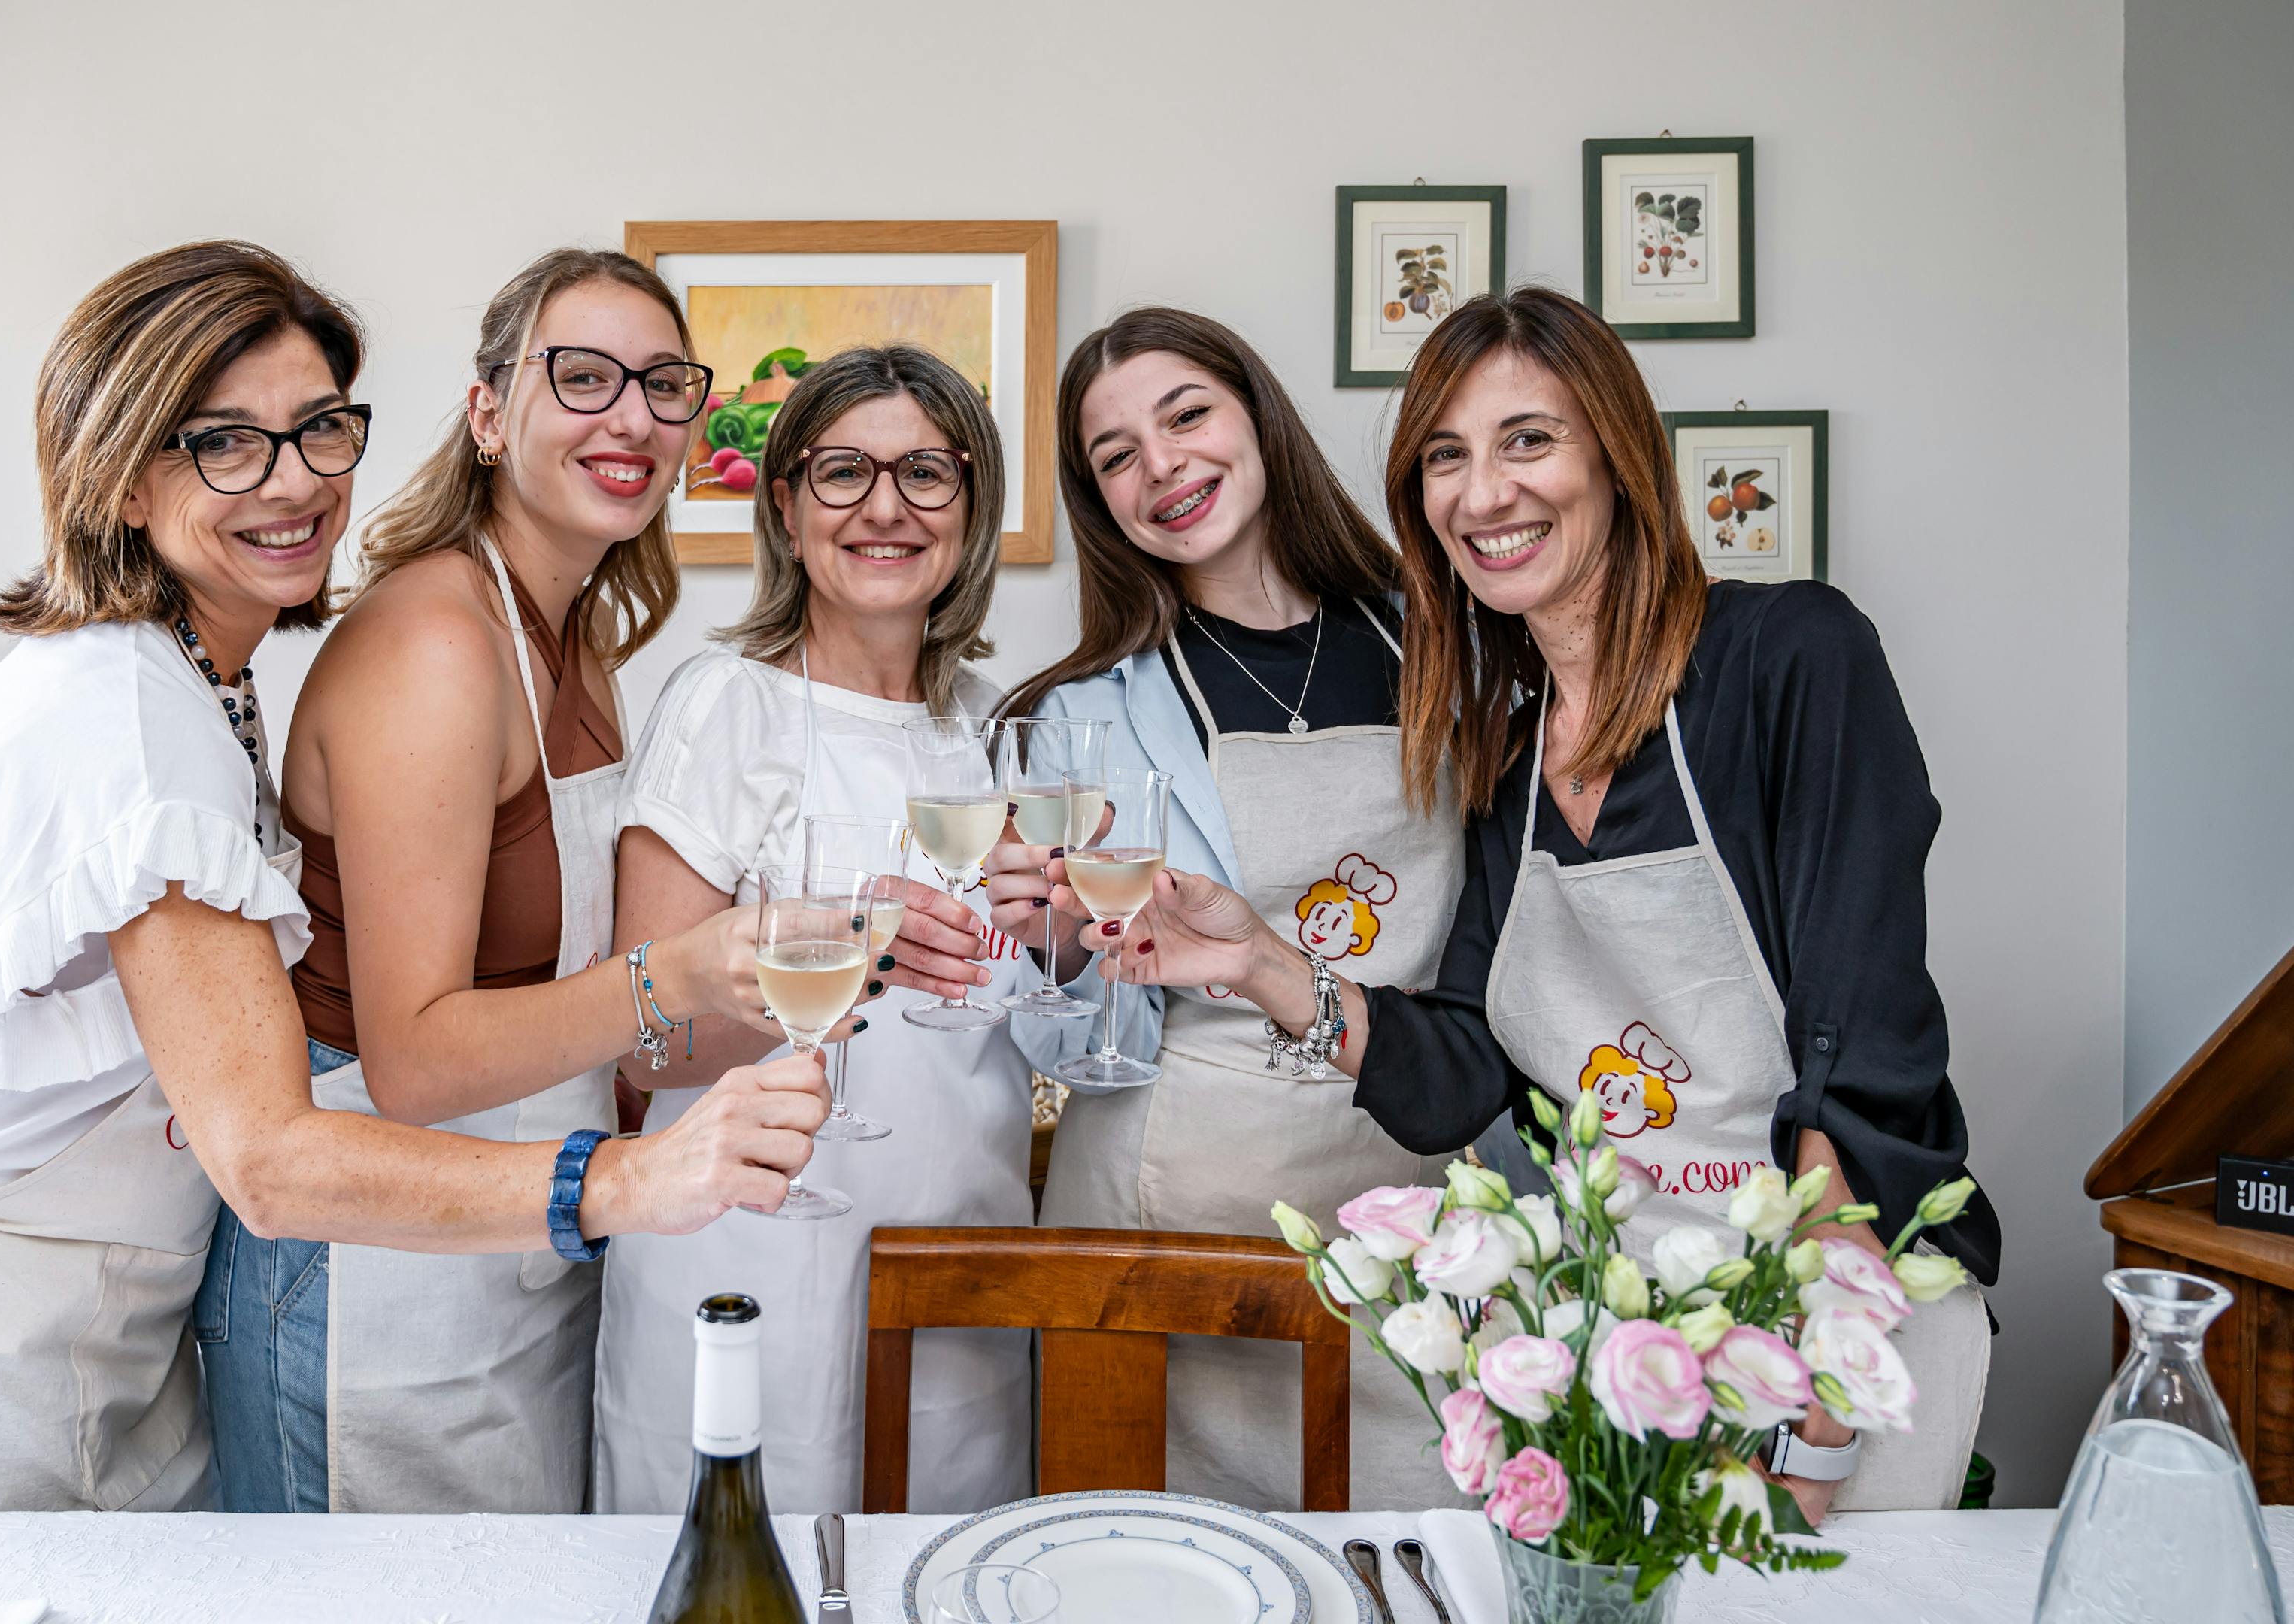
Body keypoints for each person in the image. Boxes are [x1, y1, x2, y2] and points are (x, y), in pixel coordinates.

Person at [0, 241, 826, 1515]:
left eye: (318, 433)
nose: (291, 482)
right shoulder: (137, 732)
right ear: (126, 482)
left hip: (84, 1313)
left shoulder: (200, 681)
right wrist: (636, 1172)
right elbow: (276, 1158)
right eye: (226, 445)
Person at [1108, 287, 1999, 1516]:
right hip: (1627, 1342)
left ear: (1617, 455)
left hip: (1838, 1332)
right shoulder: (1506, 760)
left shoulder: (1789, 658)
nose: (1484, 495)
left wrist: (1809, 1435)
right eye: (1446, 458)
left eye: (1529, 439)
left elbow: (1866, 1044)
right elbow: (1463, 1076)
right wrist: (1263, 963)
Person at [199, 248, 789, 1514]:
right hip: (375, 1277)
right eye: (582, 377)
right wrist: (668, 978)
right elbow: (413, 1059)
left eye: (664, 385)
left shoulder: (579, 643)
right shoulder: (436, 644)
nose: (630, 415)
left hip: (517, 1240)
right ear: (487, 413)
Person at [981, 308, 1465, 1510]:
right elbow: (1061, 1032)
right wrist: (1052, 948)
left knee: (1412, 1548)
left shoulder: (1457, 650)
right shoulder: (1082, 713)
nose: (1164, 465)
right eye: (1115, 455)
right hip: (1167, 1202)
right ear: (1101, 502)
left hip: (1407, 1185)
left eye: (1187, 414)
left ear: (1256, 415)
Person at [598, 345, 1034, 1513]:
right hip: (749, 1273)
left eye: (926, 474)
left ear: (971, 506)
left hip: (954, 1277)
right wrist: (849, 971)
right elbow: (648, 1044)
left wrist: (1068, 947)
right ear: (785, 505)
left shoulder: (996, 731)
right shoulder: (725, 701)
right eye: (843, 472)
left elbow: (1010, 1024)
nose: (885, 508)